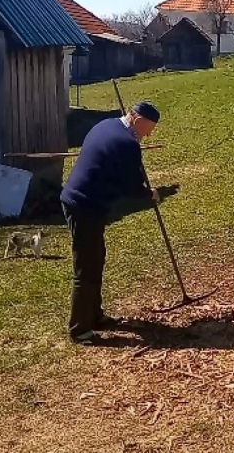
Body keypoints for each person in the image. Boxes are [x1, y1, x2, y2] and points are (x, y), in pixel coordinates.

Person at [60, 102, 161, 345]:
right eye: (149, 129)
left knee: (96, 259)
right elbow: (131, 187)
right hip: (84, 204)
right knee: (86, 268)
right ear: (138, 119)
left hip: (81, 200)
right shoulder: (127, 143)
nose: (148, 135)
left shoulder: (107, 125)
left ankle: (94, 316)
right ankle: (79, 329)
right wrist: (150, 194)